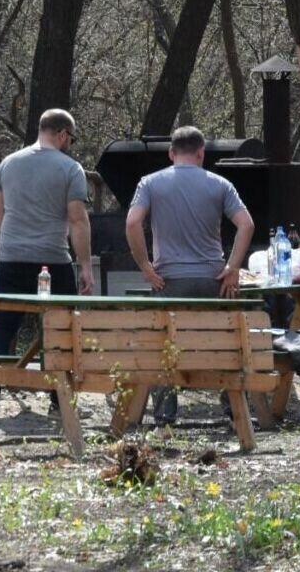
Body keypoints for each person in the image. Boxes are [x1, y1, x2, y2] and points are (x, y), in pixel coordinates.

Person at [0, 109, 94, 422]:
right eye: (70, 139)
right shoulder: (70, 168)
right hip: (52, 258)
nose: (69, 144)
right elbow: (77, 220)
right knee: (56, 329)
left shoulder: (6, 165)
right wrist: (86, 265)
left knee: (3, 327)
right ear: (62, 134)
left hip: (10, 258)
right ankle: (59, 402)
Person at [125, 125, 255, 426]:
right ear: (201, 153)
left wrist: (145, 266)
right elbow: (246, 224)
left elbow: (133, 223)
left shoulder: (150, 183)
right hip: (214, 282)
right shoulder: (220, 184)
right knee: (225, 342)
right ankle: (234, 410)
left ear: (171, 153)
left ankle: (165, 415)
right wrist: (233, 267)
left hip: (169, 281)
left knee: (164, 343)